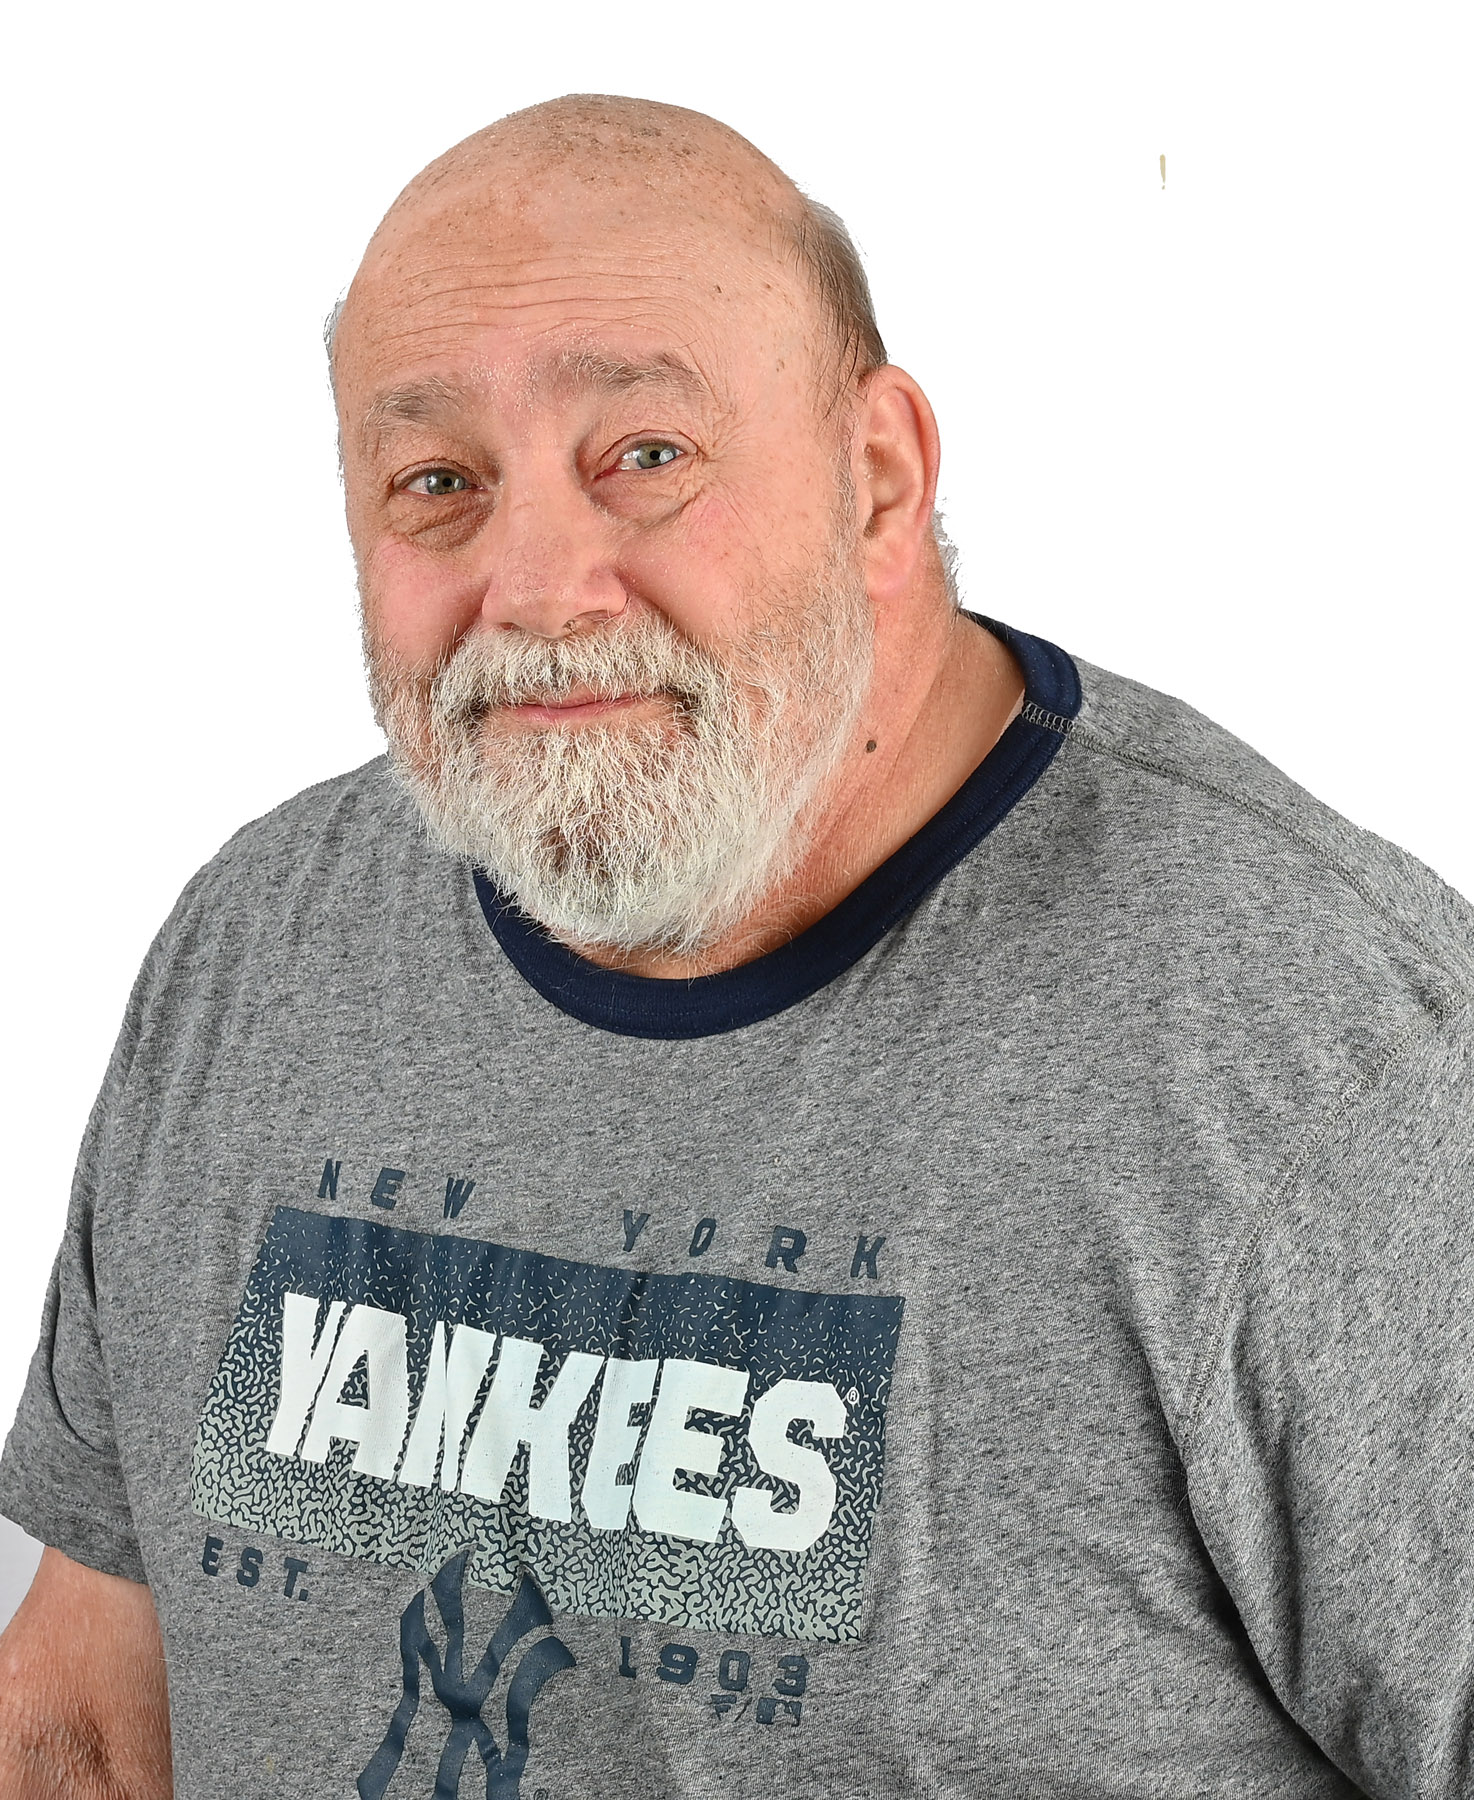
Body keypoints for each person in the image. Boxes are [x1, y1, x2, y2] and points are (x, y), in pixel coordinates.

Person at [0, 91, 1469, 1800]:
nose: (538, 587)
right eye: (436, 483)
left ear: (878, 476)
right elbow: (88, 1721)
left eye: (644, 456)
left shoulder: (1329, 1072)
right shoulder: (262, 951)